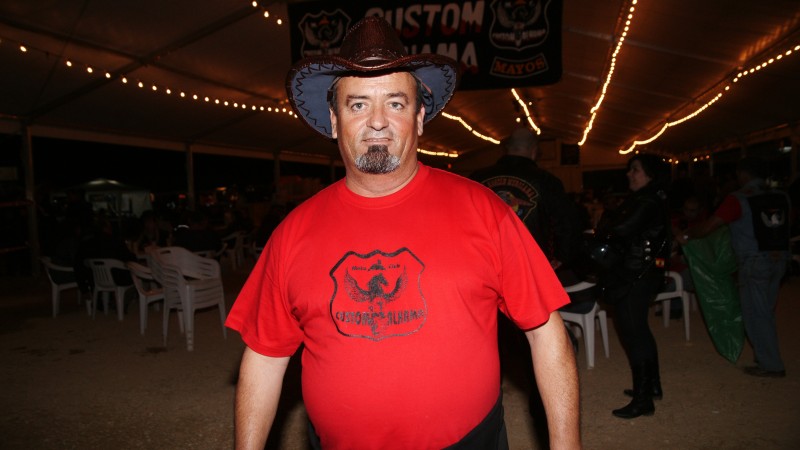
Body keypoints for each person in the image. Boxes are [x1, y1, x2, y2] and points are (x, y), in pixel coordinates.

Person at [225, 16, 580, 450]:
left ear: (420, 116)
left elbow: (546, 332)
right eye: (358, 105)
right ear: (334, 120)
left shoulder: (485, 210)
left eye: (395, 103)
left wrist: (567, 446)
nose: (377, 122)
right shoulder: (293, 232)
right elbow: (264, 357)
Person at [678, 156, 790, 378]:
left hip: (755, 262)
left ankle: (771, 364)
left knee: (756, 314)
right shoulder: (782, 195)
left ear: (742, 174)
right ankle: (765, 356)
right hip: (780, 259)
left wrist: (688, 235)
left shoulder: (738, 199)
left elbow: (709, 227)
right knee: (766, 310)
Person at [595, 153, 670, 419]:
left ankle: (643, 399)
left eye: (635, 169)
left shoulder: (647, 201)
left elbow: (620, 229)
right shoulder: (649, 198)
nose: (629, 174)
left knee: (633, 333)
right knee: (639, 330)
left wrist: (605, 225)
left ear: (650, 174)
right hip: (641, 273)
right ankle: (651, 387)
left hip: (636, 275)